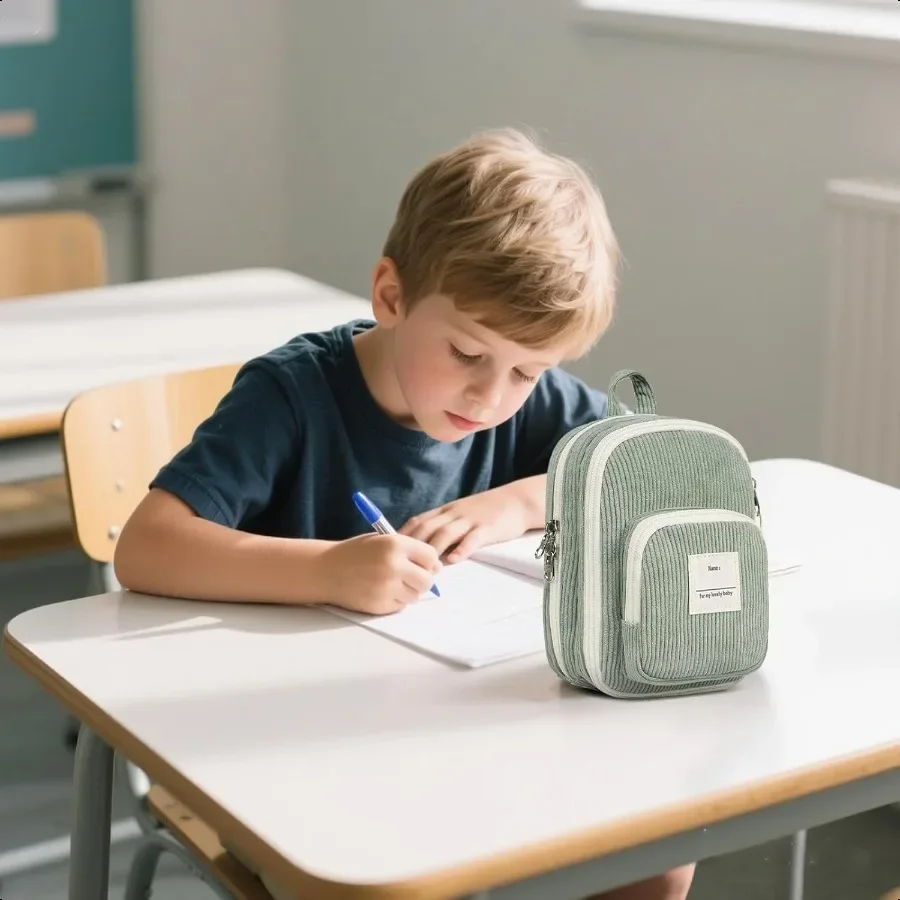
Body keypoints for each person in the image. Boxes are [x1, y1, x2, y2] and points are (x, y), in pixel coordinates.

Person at [113, 128, 695, 900]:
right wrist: (325, 570)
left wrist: (514, 502)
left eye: (527, 371)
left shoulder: (526, 400)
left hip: (462, 739)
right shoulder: (292, 396)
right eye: (465, 353)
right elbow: (146, 547)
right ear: (391, 297)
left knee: (659, 848)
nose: (490, 396)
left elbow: (654, 471)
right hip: (293, 755)